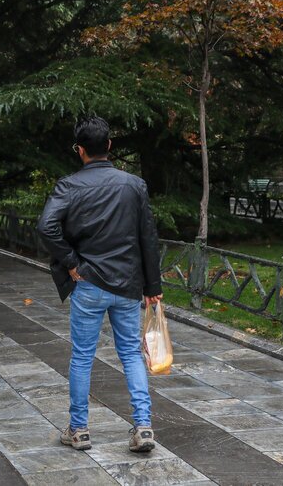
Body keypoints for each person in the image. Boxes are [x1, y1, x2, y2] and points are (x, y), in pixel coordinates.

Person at [36, 116, 163, 454]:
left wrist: (73, 264)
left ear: (80, 150)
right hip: (127, 285)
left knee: (82, 357)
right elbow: (147, 237)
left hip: (89, 282)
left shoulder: (68, 186)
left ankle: (79, 430)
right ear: (108, 146)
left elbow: (47, 227)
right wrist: (153, 285)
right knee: (132, 355)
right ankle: (143, 427)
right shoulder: (134, 185)